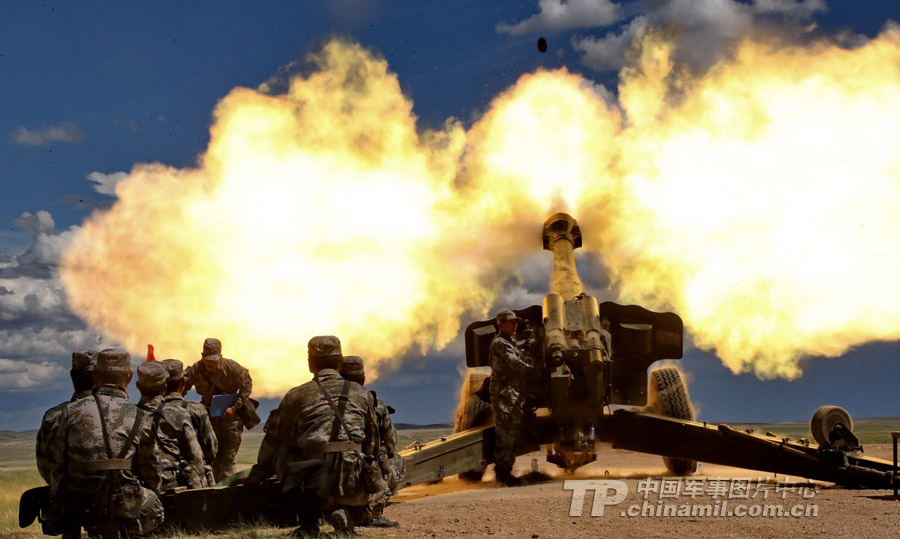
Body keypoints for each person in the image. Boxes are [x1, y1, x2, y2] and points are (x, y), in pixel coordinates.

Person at [244, 336, 384, 537]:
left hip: (313, 486)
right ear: (341, 363)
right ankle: (345, 511)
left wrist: (259, 474)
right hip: (356, 485)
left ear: (310, 365)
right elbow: (372, 442)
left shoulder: (296, 396)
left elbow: (278, 440)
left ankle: (309, 522)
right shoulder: (362, 394)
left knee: (287, 450)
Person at [41, 348, 164, 538]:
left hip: (78, 501)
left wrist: (60, 494)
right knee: (154, 505)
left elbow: (54, 460)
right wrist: (150, 490)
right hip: (123, 501)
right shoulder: (141, 416)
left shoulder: (71, 411)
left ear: (96, 377)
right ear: (129, 377)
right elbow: (151, 468)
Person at [35, 349, 98, 539]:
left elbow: (45, 463)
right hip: (107, 498)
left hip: (65, 497)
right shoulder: (112, 414)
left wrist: (58, 487)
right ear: (99, 377)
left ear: (72, 375)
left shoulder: (53, 415)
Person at [339, 355, 402, 528]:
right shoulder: (373, 402)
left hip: (318, 476)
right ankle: (371, 512)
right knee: (395, 465)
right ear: (363, 379)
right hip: (355, 471)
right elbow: (388, 443)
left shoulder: (318, 398)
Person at [183, 337, 258, 482]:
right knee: (210, 460)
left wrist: (235, 408)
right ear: (202, 356)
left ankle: (227, 495)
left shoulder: (231, 367)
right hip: (209, 420)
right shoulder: (196, 369)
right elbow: (182, 386)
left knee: (227, 461)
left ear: (220, 356)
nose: (211, 362)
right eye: (207, 358)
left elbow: (247, 384)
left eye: (214, 359)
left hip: (231, 420)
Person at [136, 361, 208, 491]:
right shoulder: (178, 414)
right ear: (164, 388)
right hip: (173, 486)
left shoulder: (130, 414)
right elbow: (195, 456)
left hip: (140, 488)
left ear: (138, 386)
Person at [489, 309, 534, 486]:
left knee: (512, 432)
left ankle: (506, 470)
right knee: (505, 433)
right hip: (504, 393)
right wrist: (532, 369)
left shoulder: (511, 341)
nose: (515, 325)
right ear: (500, 324)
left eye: (516, 322)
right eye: (511, 322)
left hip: (512, 392)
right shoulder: (500, 343)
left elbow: (520, 357)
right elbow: (515, 363)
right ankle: (502, 474)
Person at [162, 358, 217, 484]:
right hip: (193, 484)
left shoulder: (146, 412)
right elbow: (211, 448)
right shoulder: (196, 410)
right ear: (183, 383)